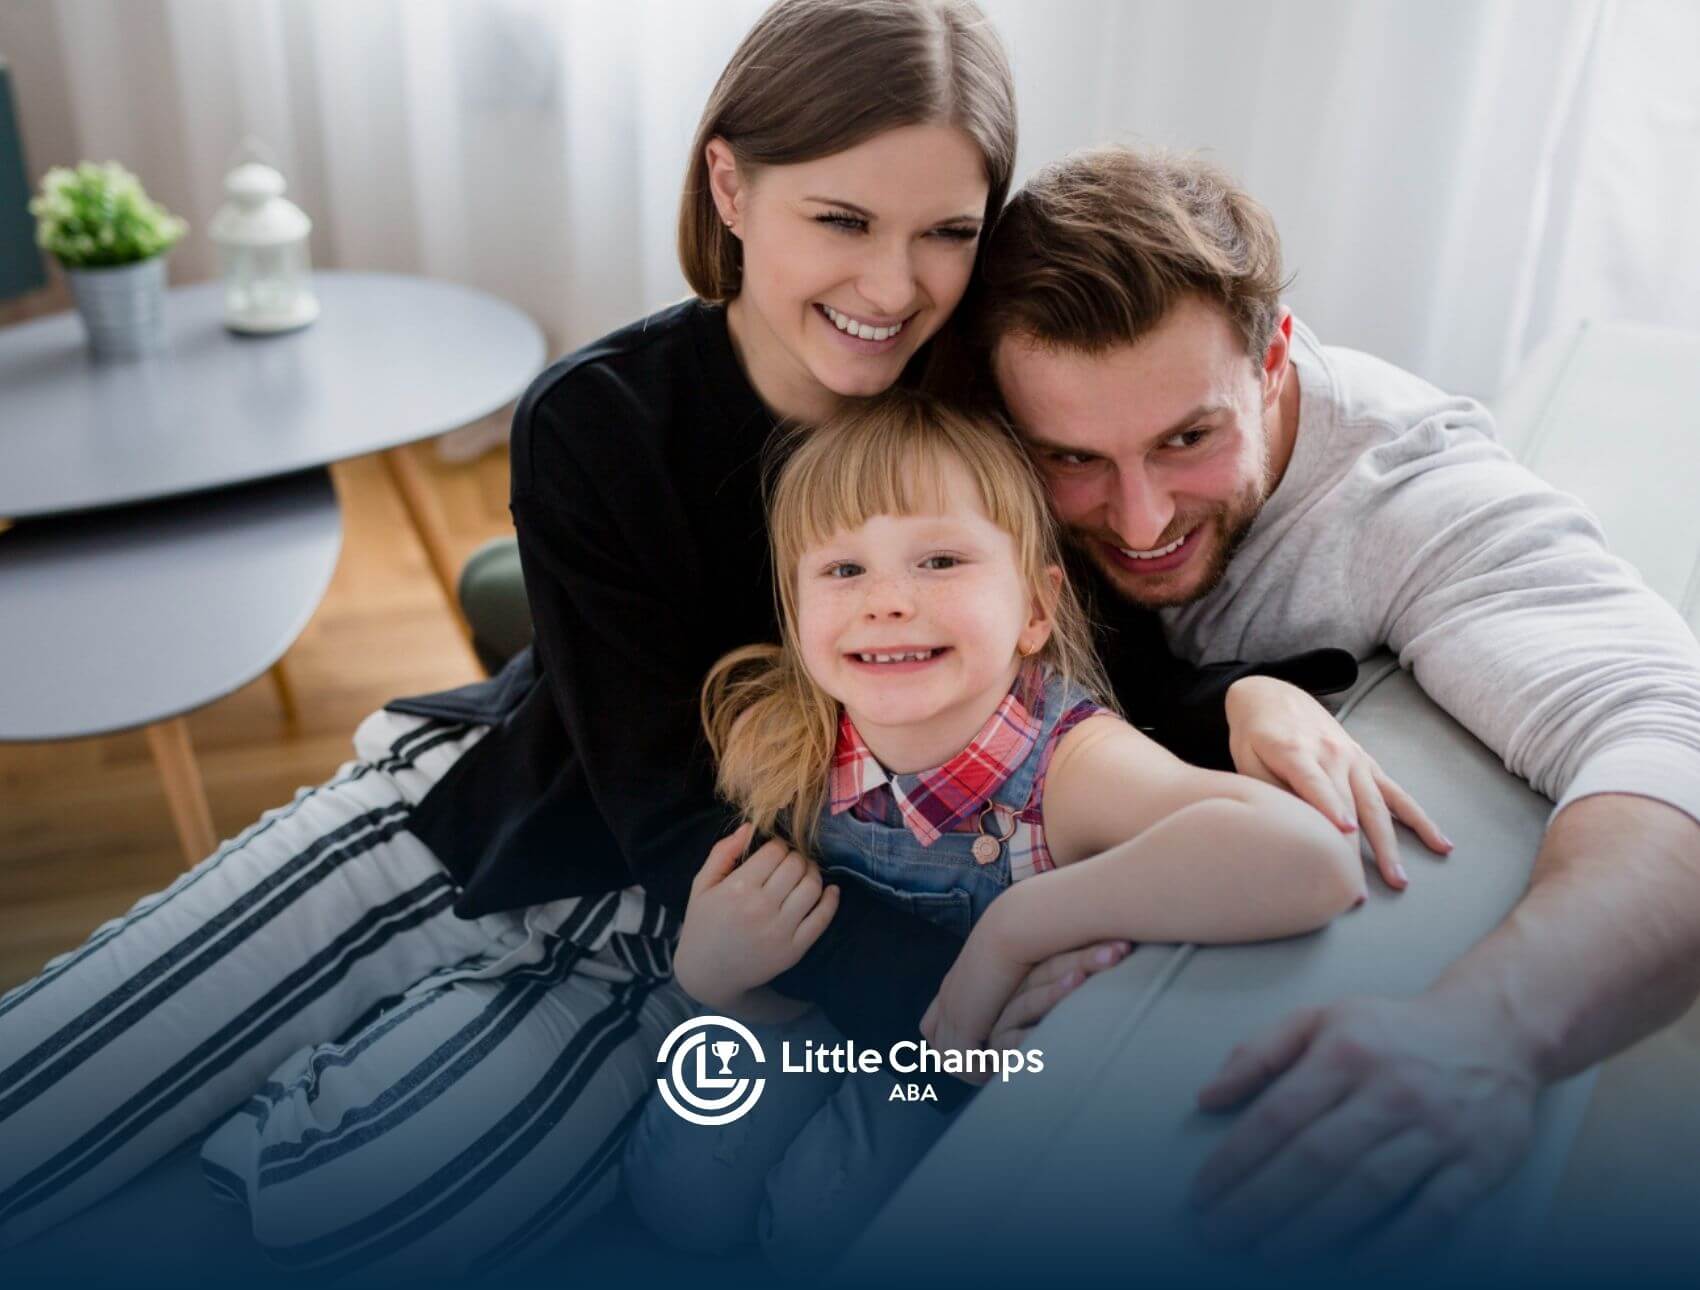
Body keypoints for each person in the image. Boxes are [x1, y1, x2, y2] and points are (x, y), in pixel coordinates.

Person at [0, 4, 1423, 1276]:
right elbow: (664, 804)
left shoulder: (981, 429)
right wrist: (964, 1000)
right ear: (730, 185)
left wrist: (1246, 695)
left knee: (347, 1208)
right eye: (842, 218)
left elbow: (1091, 672)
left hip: (710, 944)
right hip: (495, 825)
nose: (897, 281)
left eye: (948, 229)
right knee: (44, 1104)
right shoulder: (598, 421)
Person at [945, 143, 1700, 1263]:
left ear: (1273, 361)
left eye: (1186, 440)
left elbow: (1666, 744)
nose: (1140, 518)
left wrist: (1484, 1035)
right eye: (1072, 460)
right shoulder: (970, 421)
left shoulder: (1402, 499)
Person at [621, 389, 1370, 1274]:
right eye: (843, 571)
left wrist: (1016, 927)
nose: (887, 602)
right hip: (820, 1024)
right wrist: (717, 983)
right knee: (677, 1198)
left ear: (1034, 610)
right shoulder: (785, 737)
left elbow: (1314, 860)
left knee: (819, 1221)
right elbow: (777, 961)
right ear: (795, 611)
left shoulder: (1073, 767)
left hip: (974, 1086)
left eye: (939, 559)